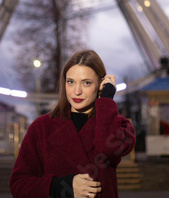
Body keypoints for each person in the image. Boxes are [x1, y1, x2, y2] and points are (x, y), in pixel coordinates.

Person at [10, 49, 136, 198]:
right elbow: (19, 184)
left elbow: (107, 148)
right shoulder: (41, 128)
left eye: (86, 83)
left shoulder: (119, 126)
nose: (77, 91)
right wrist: (62, 186)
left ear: (100, 85)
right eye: (70, 82)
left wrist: (106, 99)